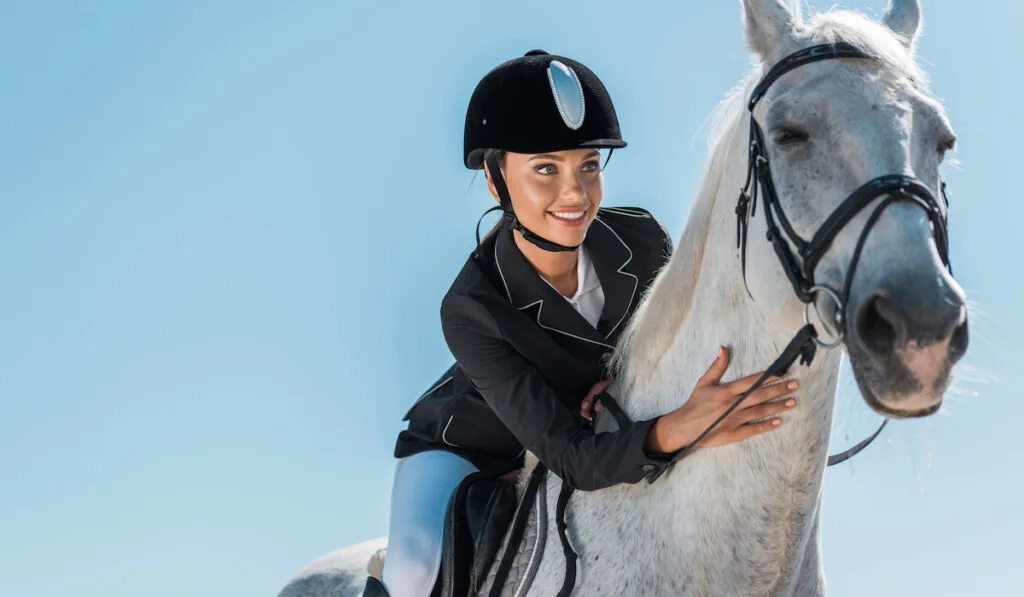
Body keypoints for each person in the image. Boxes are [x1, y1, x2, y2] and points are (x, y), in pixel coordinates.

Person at [362, 50, 800, 597]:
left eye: (588, 166)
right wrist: (679, 426)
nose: (574, 193)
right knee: (414, 572)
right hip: (470, 448)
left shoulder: (643, 241)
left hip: (598, 427)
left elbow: (671, 349)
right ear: (497, 184)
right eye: (545, 169)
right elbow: (570, 457)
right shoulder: (472, 306)